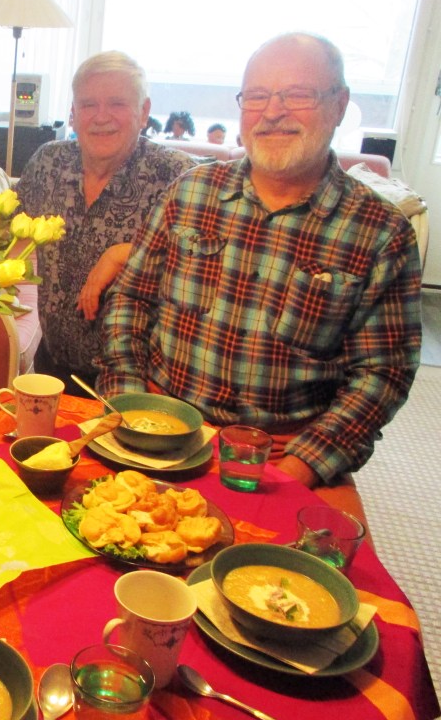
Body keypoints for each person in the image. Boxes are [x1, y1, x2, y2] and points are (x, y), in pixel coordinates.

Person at [96, 33, 422, 524]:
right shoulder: (190, 193)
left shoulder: (380, 231)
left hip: (285, 457)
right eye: (257, 96)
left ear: (339, 104)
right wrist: (133, 408)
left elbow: (383, 374)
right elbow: (131, 300)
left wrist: (298, 468)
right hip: (162, 436)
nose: (273, 112)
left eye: (297, 94)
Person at [17, 52, 195, 393]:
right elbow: (3, 226)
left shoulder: (177, 175)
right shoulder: (48, 163)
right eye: (88, 105)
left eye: (117, 103)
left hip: (138, 381)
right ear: (72, 113)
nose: (101, 117)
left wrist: (125, 252)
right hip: (53, 368)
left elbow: (216, 259)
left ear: (143, 112)